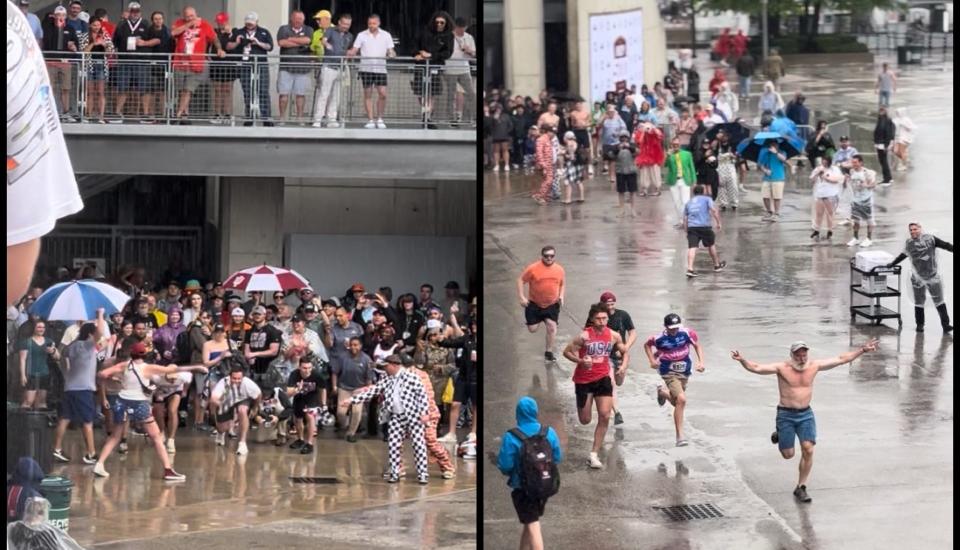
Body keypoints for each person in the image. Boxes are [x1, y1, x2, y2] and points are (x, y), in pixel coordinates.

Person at [729, 339, 879, 502]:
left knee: (808, 449)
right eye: (798, 355)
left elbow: (841, 359)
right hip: (786, 414)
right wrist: (742, 360)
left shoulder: (814, 366)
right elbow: (756, 368)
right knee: (788, 455)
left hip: (805, 414)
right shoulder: (782, 368)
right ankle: (780, 432)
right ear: (792, 355)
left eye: (804, 354)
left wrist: (862, 350)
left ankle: (801, 487)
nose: (801, 358)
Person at [93, 342, 208, 479]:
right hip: (139, 403)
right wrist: (197, 367)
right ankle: (168, 470)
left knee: (115, 436)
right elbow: (172, 370)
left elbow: (101, 374)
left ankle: (99, 464)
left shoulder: (124, 365)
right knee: (156, 437)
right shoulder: (148, 368)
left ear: (131, 353)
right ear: (145, 354)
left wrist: (117, 379)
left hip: (121, 401)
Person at [562, 303, 628, 469]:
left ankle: (593, 454)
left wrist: (623, 366)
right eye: (598, 318)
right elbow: (566, 352)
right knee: (585, 420)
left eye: (604, 318)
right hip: (584, 380)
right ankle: (593, 451)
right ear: (592, 319)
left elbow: (625, 350)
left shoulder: (614, 336)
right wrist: (580, 361)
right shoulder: (584, 336)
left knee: (605, 415)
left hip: (603, 378)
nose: (601, 321)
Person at [351, 354, 432, 484]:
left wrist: (424, 412)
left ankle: (422, 473)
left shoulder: (412, 377)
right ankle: (395, 473)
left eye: (386, 366)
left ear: (394, 365)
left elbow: (422, 395)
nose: (384, 369)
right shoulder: (387, 379)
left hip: (413, 415)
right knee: (393, 444)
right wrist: (352, 400)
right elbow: (372, 391)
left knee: (418, 444)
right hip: (395, 416)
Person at [497, 396, 562, 550]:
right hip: (544, 486)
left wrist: (512, 473)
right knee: (529, 519)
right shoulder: (549, 432)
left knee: (533, 524)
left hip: (523, 488)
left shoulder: (511, 436)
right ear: (535, 412)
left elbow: (505, 464)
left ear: (517, 413)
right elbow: (557, 457)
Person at [51, 310, 107, 464]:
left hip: (70, 387)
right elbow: (101, 333)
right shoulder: (88, 345)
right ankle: (91, 453)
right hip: (84, 389)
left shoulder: (72, 346)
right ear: (91, 334)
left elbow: (63, 358)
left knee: (65, 418)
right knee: (87, 421)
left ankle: (57, 449)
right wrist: (100, 315)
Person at [645, 313, 704, 446]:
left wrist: (701, 362)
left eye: (676, 327)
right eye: (671, 328)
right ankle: (680, 436)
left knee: (677, 403)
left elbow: (697, 346)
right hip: (668, 371)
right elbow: (647, 345)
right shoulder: (658, 338)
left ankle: (662, 393)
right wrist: (652, 360)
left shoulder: (687, 333)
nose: (674, 330)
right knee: (682, 400)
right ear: (665, 326)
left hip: (684, 371)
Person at [887, 223, 954, 333]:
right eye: (911, 230)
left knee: (940, 301)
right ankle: (920, 325)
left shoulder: (931, 239)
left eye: (915, 229)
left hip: (932, 276)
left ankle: (946, 325)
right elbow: (903, 255)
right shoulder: (909, 243)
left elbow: (945, 245)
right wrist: (893, 263)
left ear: (920, 229)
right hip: (917, 278)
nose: (913, 231)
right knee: (919, 303)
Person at [172, 6, 225, 124]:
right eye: (187, 16)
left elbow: (214, 38)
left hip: (196, 63)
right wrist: (188, 24)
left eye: (192, 16)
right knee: (181, 90)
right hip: (180, 62)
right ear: (184, 16)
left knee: (188, 90)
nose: (190, 18)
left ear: (196, 14)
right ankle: (185, 114)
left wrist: (219, 49)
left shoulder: (205, 25)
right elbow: (173, 33)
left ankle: (178, 114)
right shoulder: (179, 23)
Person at [347, 14, 397, 129]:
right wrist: (350, 53)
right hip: (366, 68)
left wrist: (392, 54)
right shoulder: (361, 35)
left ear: (379, 23)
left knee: (383, 94)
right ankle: (370, 119)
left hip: (380, 69)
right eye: (369, 23)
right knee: (367, 94)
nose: (371, 26)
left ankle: (380, 118)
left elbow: (391, 50)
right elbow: (355, 49)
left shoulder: (386, 35)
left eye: (374, 23)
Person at [518, 246, 565, 362]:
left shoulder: (559, 269)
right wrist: (521, 297)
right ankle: (541, 318)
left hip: (552, 304)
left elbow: (562, 284)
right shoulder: (533, 268)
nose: (549, 258)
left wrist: (561, 296)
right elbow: (520, 280)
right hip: (534, 304)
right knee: (532, 329)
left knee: (552, 327)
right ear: (542, 256)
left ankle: (548, 352)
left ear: (554, 256)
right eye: (546, 256)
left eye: (552, 256)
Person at [228, 12, 274, 126]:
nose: (249, 25)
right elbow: (228, 46)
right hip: (245, 65)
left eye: (252, 23)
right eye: (248, 23)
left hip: (261, 65)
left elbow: (270, 47)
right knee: (248, 92)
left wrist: (258, 43)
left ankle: (266, 117)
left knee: (263, 91)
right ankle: (249, 117)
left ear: (257, 22)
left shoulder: (264, 32)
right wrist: (237, 42)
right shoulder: (238, 32)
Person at [412, 11, 454, 127]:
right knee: (421, 92)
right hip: (421, 66)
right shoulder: (424, 31)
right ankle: (426, 113)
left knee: (432, 93)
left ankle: (427, 117)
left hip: (435, 65)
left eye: (442, 22)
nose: (439, 24)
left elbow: (448, 52)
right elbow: (415, 44)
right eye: (437, 22)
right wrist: (419, 53)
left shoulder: (448, 35)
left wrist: (431, 55)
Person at [210, 364, 263, 455]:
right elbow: (213, 399)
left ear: (243, 377)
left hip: (243, 399)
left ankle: (242, 443)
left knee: (242, 410)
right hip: (227, 402)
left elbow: (258, 395)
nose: (237, 381)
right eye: (234, 378)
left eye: (239, 378)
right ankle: (221, 432)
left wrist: (255, 408)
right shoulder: (223, 382)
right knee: (222, 428)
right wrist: (222, 406)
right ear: (229, 377)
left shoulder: (248, 383)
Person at [311, 11, 352, 128]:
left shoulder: (350, 36)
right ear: (339, 22)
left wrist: (346, 54)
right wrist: (327, 45)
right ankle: (318, 119)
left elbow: (349, 52)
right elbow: (324, 41)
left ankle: (331, 119)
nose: (346, 26)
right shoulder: (330, 30)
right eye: (344, 23)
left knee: (336, 95)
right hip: (329, 67)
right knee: (324, 94)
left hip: (341, 68)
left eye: (348, 24)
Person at [600, 292, 635, 427]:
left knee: (619, 381)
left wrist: (626, 347)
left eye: (612, 304)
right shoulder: (598, 317)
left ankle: (614, 408)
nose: (609, 306)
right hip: (605, 356)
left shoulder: (623, 315)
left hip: (620, 355)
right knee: (611, 383)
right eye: (607, 304)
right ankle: (617, 413)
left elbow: (633, 332)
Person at [110, 2, 149, 123]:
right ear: (129, 11)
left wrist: (144, 43)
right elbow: (114, 42)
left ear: (140, 12)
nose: (134, 13)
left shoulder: (146, 24)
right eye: (132, 11)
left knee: (143, 88)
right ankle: (117, 113)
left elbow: (152, 40)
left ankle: (145, 115)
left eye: (137, 11)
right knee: (122, 88)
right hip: (124, 61)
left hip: (140, 61)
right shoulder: (121, 25)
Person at [40, 5, 81, 121]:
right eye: (58, 15)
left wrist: (73, 47)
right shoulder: (47, 27)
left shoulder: (70, 28)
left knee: (66, 88)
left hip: (65, 62)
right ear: (54, 16)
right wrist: (57, 28)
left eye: (63, 15)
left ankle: (65, 113)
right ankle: (50, 112)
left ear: (66, 16)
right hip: (50, 61)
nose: (60, 17)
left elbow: (76, 45)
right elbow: (46, 41)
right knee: (50, 88)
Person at [333, 337, 375, 442]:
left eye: (356, 345)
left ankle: (351, 433)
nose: (353, 347)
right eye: (351, 345)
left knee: (356, 412)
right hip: (344, 387)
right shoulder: (342, 357)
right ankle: (345, 424)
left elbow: (369, 378)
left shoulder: (367, 359)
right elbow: (335, 372)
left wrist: (367, 392)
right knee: (340, 413)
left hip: (359, 389)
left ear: (360, 346)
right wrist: (334, 386)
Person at [276, 10, 313, 124]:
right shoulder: (283, 29)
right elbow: (281, 43)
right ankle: (282, 118)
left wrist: (290, 39)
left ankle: (300, 118)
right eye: (296, 19)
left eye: (301, 19)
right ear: (291, 18)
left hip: (303, 68)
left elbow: (308, 40)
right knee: (283, 94)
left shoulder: (308, 29)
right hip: (286, 67)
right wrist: (300, 42)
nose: (298, 21)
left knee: (300, 95)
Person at [683, 184, 726, 277]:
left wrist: (686, 230)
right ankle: (717, 266)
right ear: (703, 192)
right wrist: (718, 222)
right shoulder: (707, 199)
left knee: (692, 247)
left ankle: (690, 269)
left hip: (692, 227)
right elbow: (713, 210)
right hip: (704, 226)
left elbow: (685, 218)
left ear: (694, 193)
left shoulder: (689, 202)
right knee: (711, 245)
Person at [284, 356, 325, 454]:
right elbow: (288, 392)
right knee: (298, 419)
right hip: (299, 397)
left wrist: (323, 403)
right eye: (304, 368)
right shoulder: (294, 374)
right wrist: (297, 389)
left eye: (309, 368)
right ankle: (300, 439)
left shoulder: (317, 375)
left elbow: (322, 389)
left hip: (312, 397)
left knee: (310, 417)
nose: (307, 371)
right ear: (299, 367)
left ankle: (310, 443)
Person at [77, 16, 114, 123]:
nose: (96, 27)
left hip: (102, 66)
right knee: (90, 92)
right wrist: (94, 43)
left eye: (98, 25)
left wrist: (104, 44)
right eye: (94, 25)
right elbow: (83, 52)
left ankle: (100, 116)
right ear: (90, 25)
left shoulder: (105, 36)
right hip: (89, 65)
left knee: (101, 92)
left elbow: (110, 54)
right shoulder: (84, 36)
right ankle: (89, 115)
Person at [18, 320, 59, 410]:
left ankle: (38, 423)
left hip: (44, 373)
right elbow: (22, 359)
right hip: (31, 373)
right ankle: (22, 421)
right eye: (39, 327)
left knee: (42, 402)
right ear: (34, 328)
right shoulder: (27, 342)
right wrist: (23, 375)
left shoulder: (49, 341)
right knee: (28, 400)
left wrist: (53, 351)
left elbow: (57, 357)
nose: (41, 329)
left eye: (43, 327)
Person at [208, 12, 238, 125]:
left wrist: (229, 33)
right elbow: (208, 46)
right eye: (219, 22)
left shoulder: (234, 31)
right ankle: (217, 114)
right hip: (216, 64)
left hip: (229, 64)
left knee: (227, 90)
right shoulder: (214, 32)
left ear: (227, 21)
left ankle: (227, 114)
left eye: (223, 21)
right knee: (217, 90)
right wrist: (208, 58)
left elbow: (235, 46)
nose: (221, 23)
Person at [446, 17, 476, 126]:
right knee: (451, 95)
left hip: (464, 69)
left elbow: (474, 54)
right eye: (459, 29)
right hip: (450, 69)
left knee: (471, 94)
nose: (461, 31)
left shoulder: (469, 37)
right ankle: (452, 119)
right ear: (456, 27)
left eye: (463, 29)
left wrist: (469, 50)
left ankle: (474, 118)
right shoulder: (449, 37)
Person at [663, 137, 697, 228]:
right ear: (671, 145)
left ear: (680, 144)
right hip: (674, 181)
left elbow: (692, 167)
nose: (676, 146)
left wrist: (694, 180)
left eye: (677, 144)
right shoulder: (670, 155)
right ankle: (681, 220)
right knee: (676, 202)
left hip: (685, 180)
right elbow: (665, 165)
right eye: (674, 145)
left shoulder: (687, 154)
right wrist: (667, 156)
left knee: (685, 201)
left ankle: (686, 220)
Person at [845, 154, 878, 248]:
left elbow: (874, 184)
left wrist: (866, 185)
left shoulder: (867, 172)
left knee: (869, 220)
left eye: (855, 162)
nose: (853, 164)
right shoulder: (851, 171)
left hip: (866, 199)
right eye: (852, 162)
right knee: (856, 220)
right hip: (856, 199)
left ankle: (869, 239)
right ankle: (855, 238)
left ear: (860, 162)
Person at [809, 156, 843, 242]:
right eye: (822, 161)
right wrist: (817, 173)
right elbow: (812, 180)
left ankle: (830, 230)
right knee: (819, 213)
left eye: (825, 161)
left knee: (829, 213)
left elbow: (837, 180)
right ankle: (817, 230)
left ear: (829, 161)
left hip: (831, 194)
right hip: (820, 194)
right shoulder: (818, 169)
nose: (823, 163)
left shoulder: (834, 169)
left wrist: (825, 176)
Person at [758, 140, 788, 222]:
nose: (773, 146)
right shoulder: (766, 153)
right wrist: (765, 170)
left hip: (778, 177)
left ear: (778, 145)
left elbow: (784, 160)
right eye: (771, 144)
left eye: (774, 144)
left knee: (777, 196)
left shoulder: (782, 152)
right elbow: (761, 165)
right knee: (765, 196)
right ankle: (769, 212)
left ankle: (776, 213)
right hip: (767, 178)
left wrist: (776, 153)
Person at [634, 121, 665, 197]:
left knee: (655, 173)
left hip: (654, 156)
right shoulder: (640, 133)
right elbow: (639, 141)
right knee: (644, 174)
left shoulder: (655, 132)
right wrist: (644, 132)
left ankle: (657, 189)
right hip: (644, 156)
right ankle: (644, 190)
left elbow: (660, 136)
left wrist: (652, 129)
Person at [612, 130, 638, 216]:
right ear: (619, 138)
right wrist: (618, 149)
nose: (624, 139)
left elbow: (638, 152)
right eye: (622, 137)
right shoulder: (616, 146)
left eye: (625, 137)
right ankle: (621, 210)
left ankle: (633, 210)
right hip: (620, 171)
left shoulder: (632, 146)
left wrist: (629, 147)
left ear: (628, 138)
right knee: (621, 191)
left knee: (632, 191)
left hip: (631, 170)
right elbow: (611, 155)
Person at [532, 124, 557, 204]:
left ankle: (544, 196)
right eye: (552, 132)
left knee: (547, 180)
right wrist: (543, 165)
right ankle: (540, 196)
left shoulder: (549, 139)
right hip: (544, 164)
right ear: (548, 132)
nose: (554, 134)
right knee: (548, 180)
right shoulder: (541, 140)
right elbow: (539, 153)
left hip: (549, 163)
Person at [715, 129, 739, 210]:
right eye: (722, 136)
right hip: (720, 167)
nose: (724, 137)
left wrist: (733, 156)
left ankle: (734, 203)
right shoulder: (717, 145)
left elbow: (737, 156)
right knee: (721, 185)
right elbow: (712, 149)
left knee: (733, 185)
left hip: (730, 166)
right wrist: (716, 139)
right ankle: (723, 204)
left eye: (725, 135)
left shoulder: (732, 145)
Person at [560, 131, 585, 204]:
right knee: (579, 181)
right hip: (578, 164)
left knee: (568, 181)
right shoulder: (575, 143)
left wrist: (564, 154)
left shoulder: (569, 143)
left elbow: (571, 156)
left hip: (572, 164)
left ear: (566, 137)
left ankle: (568, 199)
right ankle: (581, 197)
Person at [873, 107, 896, 185]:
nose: (881, 112)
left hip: (883, 144)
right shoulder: (880, 119)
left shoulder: (887, 121)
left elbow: (888, 133)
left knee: (884, 161)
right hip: (879, 143)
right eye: (880, 111)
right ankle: (887, 177)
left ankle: (887, 178)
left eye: (882, 111)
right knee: (882, 161)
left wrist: (887, 144)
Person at [891, 107, 916, 172]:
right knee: (895, 150)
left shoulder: (906, 119)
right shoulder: (895, 119)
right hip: (897, 137)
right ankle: (906, 160)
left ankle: (904, 165)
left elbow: (911, 128)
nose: (897, 114)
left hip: (904, 138)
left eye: (898, 113)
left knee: (902, 152)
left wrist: (904, 125)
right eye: (896, 113)